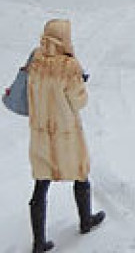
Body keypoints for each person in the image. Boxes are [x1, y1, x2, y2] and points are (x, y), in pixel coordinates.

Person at [26, 19, 105, 252]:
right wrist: (81, 81)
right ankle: (85, 221)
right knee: (81, 174)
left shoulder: (36, 60)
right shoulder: (69, 66)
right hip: (66, 134)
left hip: (41, 134)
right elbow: (79, 101)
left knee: (41, 184)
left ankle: (38, 242)